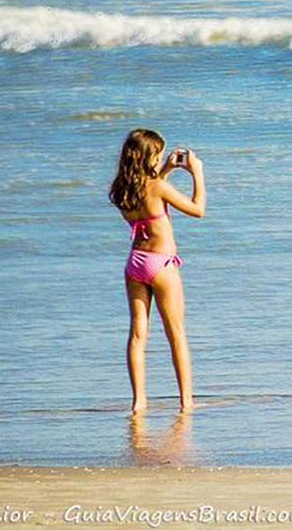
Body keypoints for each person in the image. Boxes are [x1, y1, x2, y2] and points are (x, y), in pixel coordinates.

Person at [109, 128, 206, 414]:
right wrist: (196, 172)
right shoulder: (157, 187)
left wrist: (164, 171)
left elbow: (149, 193)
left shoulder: (122, 188)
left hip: (135, 263)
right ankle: (186, 401)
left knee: (138, 335)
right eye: (159, 155)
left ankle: (139, 401)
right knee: (176, 333)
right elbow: (198, 209)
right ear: (149, 156)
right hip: (161, 264)